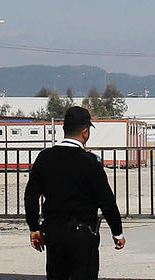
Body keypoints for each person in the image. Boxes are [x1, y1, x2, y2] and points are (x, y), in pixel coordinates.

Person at [24, 105, 125, 280]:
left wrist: (34, 228)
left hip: (54, 232)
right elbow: (107, 201)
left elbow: (31, 196)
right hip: (83, 234)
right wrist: (117, 232)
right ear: (85, 132)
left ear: (64, 129)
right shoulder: (90, 162)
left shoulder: (45, 157)